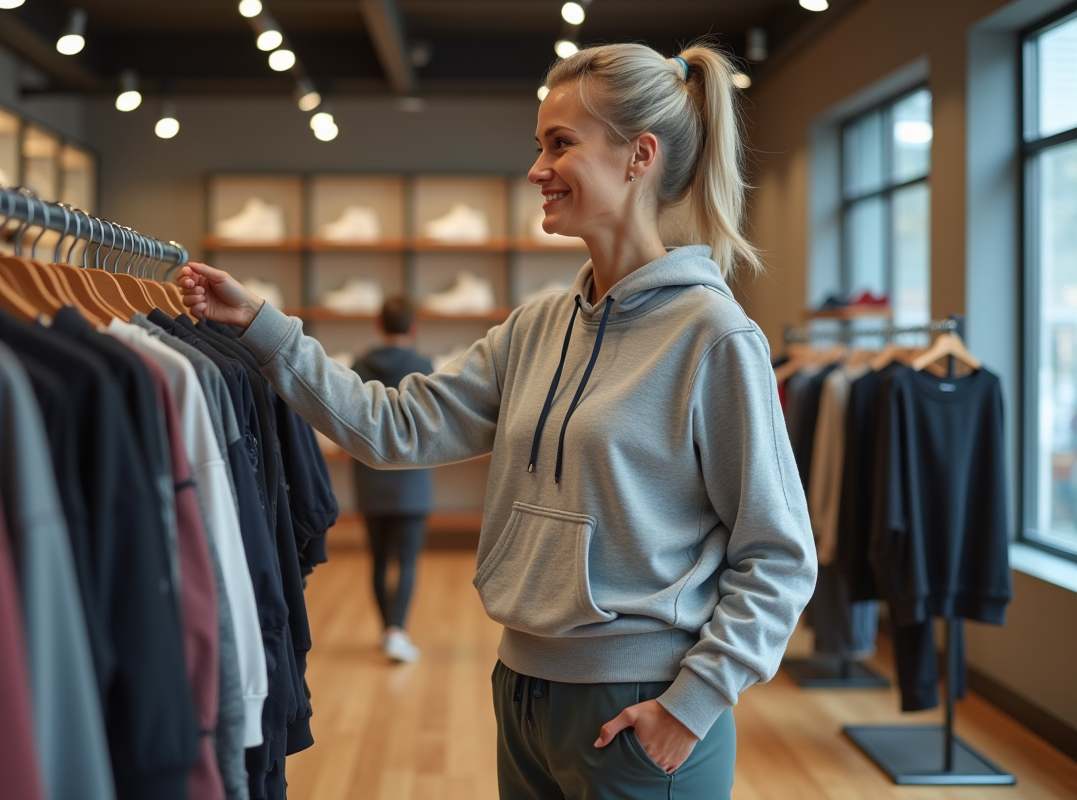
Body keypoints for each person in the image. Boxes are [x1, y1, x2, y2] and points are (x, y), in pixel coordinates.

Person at [181, 41, 815, 800]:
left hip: (641, 707)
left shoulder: (714, 336)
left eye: (559, 144)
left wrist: (694, 703)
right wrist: (260, 325)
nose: (536, 170)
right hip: (522, 690)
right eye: (537, 145)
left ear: (638, 155)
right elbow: (393, 427)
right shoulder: (538, 326)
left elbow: (779, 553)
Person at [351, 295, 434, 663]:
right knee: (408, 559)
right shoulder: (423, 365)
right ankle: (397, 629)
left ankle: (387, 629)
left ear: (378, 325)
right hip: (411, 478)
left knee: (379, 559)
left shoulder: (358, 364)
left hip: (370, 475)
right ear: (413, 328)